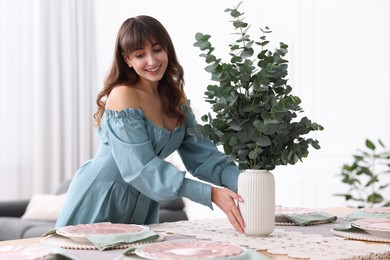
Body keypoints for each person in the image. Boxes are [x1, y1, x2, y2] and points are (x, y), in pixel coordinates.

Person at [55, 15, 244, 234]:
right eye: (140, 54)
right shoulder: (123, 94)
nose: (152, 61)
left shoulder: (176, 97)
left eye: (157, 50)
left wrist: (247, 186)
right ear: (127, 59)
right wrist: (209, 193)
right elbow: (140, 168)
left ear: (167, 50)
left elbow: (204, 156)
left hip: (144, 200)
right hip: (102, 196)